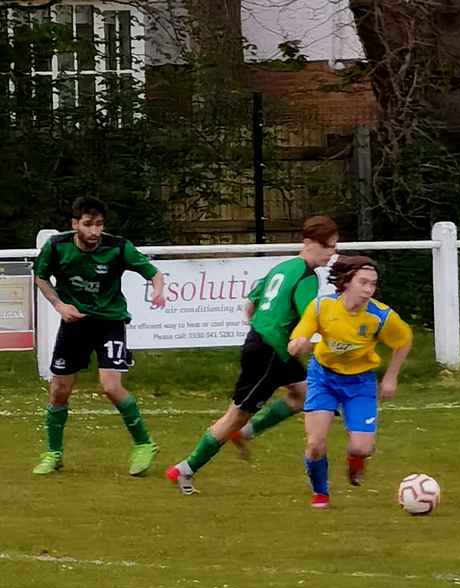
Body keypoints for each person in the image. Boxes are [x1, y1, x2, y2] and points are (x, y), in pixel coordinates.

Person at [166, 216, 339, 495]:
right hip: (270, 352)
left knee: (305, 394)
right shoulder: (308, 277)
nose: (332, 253)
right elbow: (310, 319)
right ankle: (184, 469)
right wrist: (305, 340)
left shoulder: (282, 267)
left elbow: (250, 305)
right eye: (328, 246)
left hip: (264, 345)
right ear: (308, 243)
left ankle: (247, 433)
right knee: (235, 416)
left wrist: (265, 330)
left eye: (334, 246)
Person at [32, 196, 166, 476]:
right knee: (59, 391)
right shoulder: (57, 247)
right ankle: (53, 453)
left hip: (109, 323)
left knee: (110, 386)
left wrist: (157, 289)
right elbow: (41, 277)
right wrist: (59, 305)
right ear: (75, 224)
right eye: (88, 224)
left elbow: (154, 273)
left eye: (100, 225)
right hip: (74, 325)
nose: (95, 232)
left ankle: (144, 444)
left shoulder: (118, 247)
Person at [288, 255, 412, 508]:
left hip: (361, 383)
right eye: (363, 282)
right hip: (323, 378)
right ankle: (321, 493)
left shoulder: (380, 315)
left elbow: (404, 340)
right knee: (315, 443)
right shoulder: (322, 307)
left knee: (362, 447)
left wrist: (391, 377)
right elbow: (300, 333)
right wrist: (297, 343)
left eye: (373, 284)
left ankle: (355, 462)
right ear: (346, 282)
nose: (368, 290)